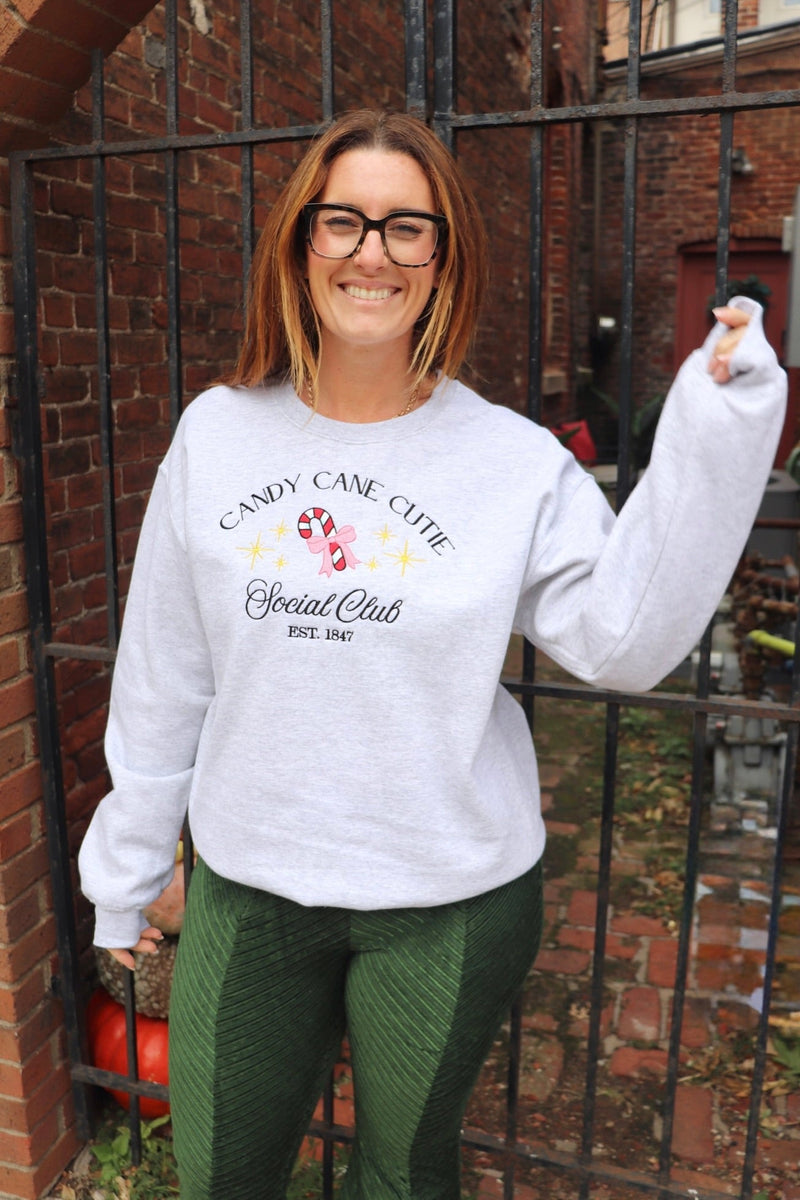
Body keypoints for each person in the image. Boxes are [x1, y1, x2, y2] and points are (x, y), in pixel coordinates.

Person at [78, 108, 787, 1199]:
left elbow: (621, 640)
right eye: (343, 222)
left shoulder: (509, 463)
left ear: (443, 258)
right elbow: (166, 671)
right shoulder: (216, 434)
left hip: (445, 896)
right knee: (219, 1171)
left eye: (407, 227)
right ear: (299, 243)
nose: (372, 252)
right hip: (249, 886)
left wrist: (716, 431)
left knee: (404, 1177)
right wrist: (125, 876)